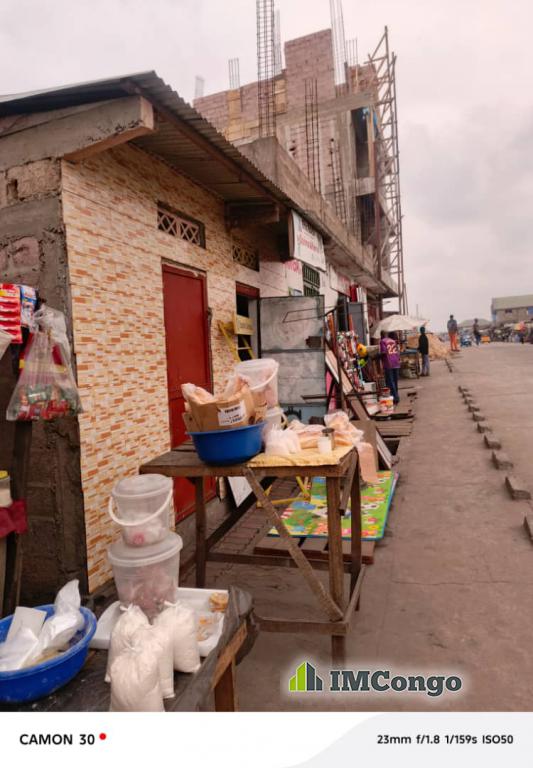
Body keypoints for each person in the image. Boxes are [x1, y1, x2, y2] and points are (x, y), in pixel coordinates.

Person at [380, 330, 401, 405]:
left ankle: (395, 398)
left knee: (390, 381)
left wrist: (378, 356)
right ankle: (396, 396)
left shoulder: (382, 341)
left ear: (381, 335)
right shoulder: (393, 341)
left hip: (389, 363)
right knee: (395, 381)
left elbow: (384, 352)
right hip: (396, 362)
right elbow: (397, 351)